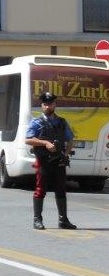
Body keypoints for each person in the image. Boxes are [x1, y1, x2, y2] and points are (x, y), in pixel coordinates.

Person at [25, 91, 77, 230]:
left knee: (61, 190)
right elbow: (28, 139)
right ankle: (37, 220)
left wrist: (65, 154)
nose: (48, 106)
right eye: (45, 104)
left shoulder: (62, 122)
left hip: (59, 161)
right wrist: (45, 143)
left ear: (55, 105)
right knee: (40, 189)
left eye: (51, 104)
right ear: (42, 106)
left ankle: (63, 220)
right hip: (43, 161)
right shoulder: (36, 122)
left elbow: (70, 139)